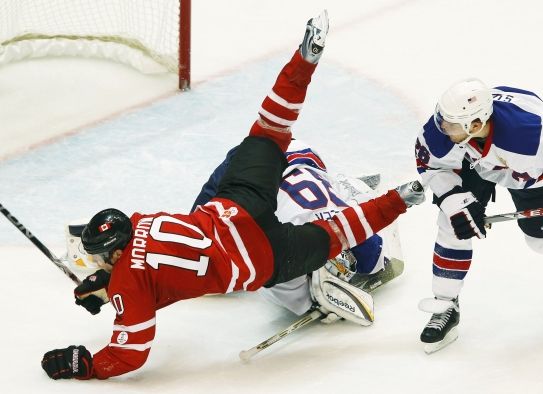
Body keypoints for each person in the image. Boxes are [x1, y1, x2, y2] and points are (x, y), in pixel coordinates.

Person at [41, 11, 425, 380]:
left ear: (115, 252)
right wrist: (110, 288)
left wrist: (88, 364)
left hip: (262, 258)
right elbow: (152, 272)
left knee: (332, 239)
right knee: (269, 131)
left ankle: (397, 203)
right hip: (237, 205)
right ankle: (305, 60)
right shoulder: (141, 221)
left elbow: (131, 351)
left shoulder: (129, 283)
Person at [414, 78, 543, 353]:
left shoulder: (526, 134)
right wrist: (451, 197)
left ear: (475, 124)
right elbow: (431, 165)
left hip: (529, 170)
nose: (441, 127)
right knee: (455, 222)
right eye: (444, 119)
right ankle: (445, 305)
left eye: (450, 124)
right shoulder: (443, 132)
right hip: (471, 157)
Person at [192, 138, 396, 320]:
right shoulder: (287, 243)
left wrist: (318, 297)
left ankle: (344, 186)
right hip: (248, 168)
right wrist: (313, 303)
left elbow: (376, 259)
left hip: (298, 154)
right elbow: (272, 279)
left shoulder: (304, 238)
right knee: (200, 248)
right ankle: (344, 187)